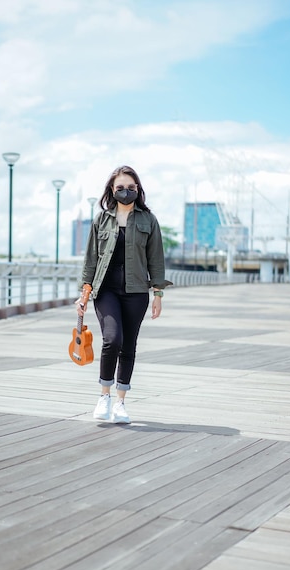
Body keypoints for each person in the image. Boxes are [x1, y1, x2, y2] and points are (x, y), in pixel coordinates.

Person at [76, 165, 172, 424]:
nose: (126, 192)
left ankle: (120, 402)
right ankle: (104, 395)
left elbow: (156, 259)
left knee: (129, 345)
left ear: (138, 189)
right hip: (106, 290)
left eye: (131, 188)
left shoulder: (148, 220)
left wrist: (158, 294)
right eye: (120, 188)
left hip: (137, 291)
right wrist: (84, 293)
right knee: (112, 339)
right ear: (111, 189)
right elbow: (90, 259)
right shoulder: (102, 219)